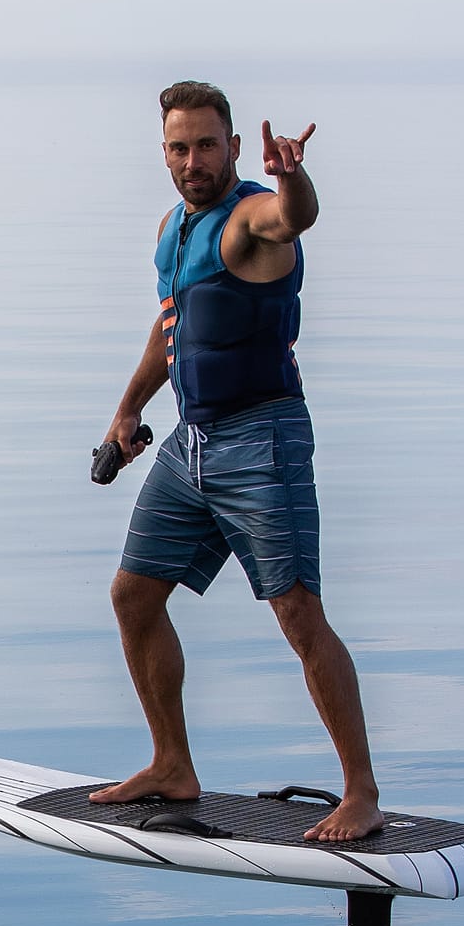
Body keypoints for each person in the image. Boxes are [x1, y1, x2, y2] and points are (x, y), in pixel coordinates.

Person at [92, 81, 383, 844]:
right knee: (132, 596)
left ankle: (360, 793)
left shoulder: (252, 219)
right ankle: (171, 763)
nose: (195, 160)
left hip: (264, 440)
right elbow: (171, 331)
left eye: (208, 145)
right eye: (180, 148)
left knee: (297, 614)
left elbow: (294, 218)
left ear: (230, 146)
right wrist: (129, 411)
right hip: (191, 443)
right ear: (164, 152)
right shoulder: (172, 229)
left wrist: (292, 177)